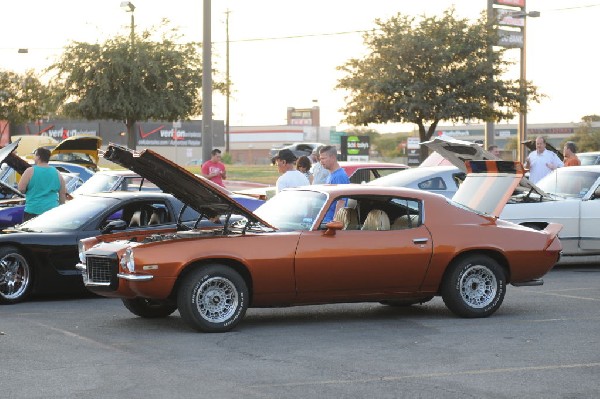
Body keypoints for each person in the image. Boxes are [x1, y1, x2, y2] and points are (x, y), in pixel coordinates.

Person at [18, 147, 66, 222]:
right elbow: (62, 193)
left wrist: (27, 191)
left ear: (38, 157)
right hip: (52, 210)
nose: (34, 158)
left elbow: (21, 188)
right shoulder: (56, 172)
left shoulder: (30, 171)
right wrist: (60, 207)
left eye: (35, 155)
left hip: (33, 210)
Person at [319, 145, 350, 222]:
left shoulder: (339, 176)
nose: (321, 161)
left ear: (333, 158)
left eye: (323, 158)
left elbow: (341, 202)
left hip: (330, 223)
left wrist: (334, 223)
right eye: (320, 159)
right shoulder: (331, 175)